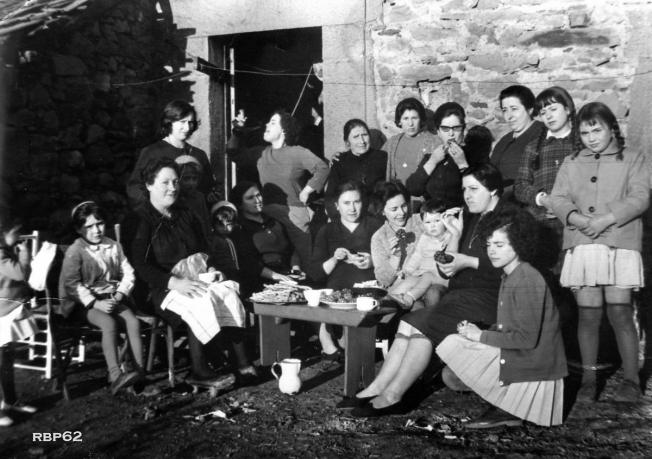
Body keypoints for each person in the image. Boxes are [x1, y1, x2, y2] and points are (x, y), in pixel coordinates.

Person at [351, 163, 508, 417]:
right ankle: (378, 386)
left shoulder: (506, 219)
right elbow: (448, 269)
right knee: (409, 321)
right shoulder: (473, 218)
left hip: (492, 298)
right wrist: (455, 234)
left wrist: (467, 261)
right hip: (463, 295)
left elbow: (509, 265)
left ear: (493, 190)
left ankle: (394, 396)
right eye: (464, 189)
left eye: (473, 189)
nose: (466, 195)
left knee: (424, 321)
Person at [549, 102, 649, 402]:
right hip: (583, 243)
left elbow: (640, 197)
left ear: (611, 129)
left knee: (620, 311)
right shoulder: (571, 162)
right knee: (588, 315)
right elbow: (558, 198)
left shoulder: (633, 158)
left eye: (597, 130)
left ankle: (631, 381)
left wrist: (606, 219)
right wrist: (578, 220)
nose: (591, 138)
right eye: (585, 133)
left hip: (619, 243)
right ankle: (589, 380)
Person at [129, 159, 254, 388]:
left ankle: (242, 362)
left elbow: (204, 248)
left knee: (227, 292)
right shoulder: (140, 219)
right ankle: (199, 371)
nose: (173, 188)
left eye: (175, 182)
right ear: (149, 185)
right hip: (157, 289)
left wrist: (212, 267)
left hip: (193, 278)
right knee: (199, 300)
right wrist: (174, 283)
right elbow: (140, 265)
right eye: (165, 182)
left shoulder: (185, 213)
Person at [437, 208, 567, 428]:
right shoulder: (511, 274)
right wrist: (482, 331)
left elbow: (526, 339)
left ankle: (510, 406)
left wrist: (480, 336)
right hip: (521, 356)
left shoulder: (527, 279)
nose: (491, 251)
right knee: (451, 373)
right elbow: (511, 326)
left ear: (518, 244)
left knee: (452, 348)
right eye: (489, 245)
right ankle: (506, 400)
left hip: (534, 366)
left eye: (499, 245)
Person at [58, 201, 146, 395]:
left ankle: (139, 373)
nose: (96, 230)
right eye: (89, 226)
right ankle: (115, 376)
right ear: (78, 229)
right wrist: (96, 303)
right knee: (108, 323)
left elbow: (128, 273)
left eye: (99, 224)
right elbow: (71, 284)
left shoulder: (113, 245)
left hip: (111, 298)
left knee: (133, 322)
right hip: (84, 304)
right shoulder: (76, 250)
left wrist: (120, 294)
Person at [227, 110, 329, 270]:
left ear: (284, 130)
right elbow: (234, 153)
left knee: (305, 263)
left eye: (273, 122)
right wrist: (237, 131)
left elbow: (322, 168)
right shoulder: (261, 153)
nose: (267, 125)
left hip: (295, 214)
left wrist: (307, 190)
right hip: (268, 214)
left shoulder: (298, 152)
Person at [311, 180, 383, 361]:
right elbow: (316, 273)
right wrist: (335, 258)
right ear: (337, 205)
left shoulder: (376, 226)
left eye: (356, 202)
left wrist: (372, 261)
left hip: (368, 287)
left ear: (363, 202)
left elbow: (391, 260)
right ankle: (333, 336)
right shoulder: (328, 230)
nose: (352, 208)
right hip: (338, 291)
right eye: (346, 203)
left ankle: (342, 340)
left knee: (354, 347)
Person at [514, 86, 576, 270]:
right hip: (542, 225)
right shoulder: (533, 148)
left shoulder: (580, 144)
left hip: (574, 223)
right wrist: (543, 199)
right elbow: (520, 186)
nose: (548, 116)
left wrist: (565, 206)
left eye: (553, 109)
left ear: (567, 109)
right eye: (543, 112)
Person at [127, 100, 216, 208]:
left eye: (190, 122)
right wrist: (156, 207)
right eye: (182, 122)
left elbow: (207, 190)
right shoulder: (152, 152)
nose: (187, 128)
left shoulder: (199, 155)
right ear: (169, 122)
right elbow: (134, 188)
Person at [406, 102, 487, 208]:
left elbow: (481, 192)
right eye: (445, 128)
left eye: (456, 128)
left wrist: (462, 164)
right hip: (433, 216)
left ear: (463, 129)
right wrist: (433, 161)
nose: (451, 134)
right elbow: (413, 189)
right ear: (438, 132)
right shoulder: (431, 157)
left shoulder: (475, 156)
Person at [229, 181, 300, 299]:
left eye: (258, 195)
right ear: (240, 204)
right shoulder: (240, 229)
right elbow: (248, 263)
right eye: (250, 198)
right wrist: (275, 276)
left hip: (286, 277)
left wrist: (296, 268)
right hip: (260, 282)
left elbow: (292, 249)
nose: (257, 200)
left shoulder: (274, 222)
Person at [0, 214, 38, 426]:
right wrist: (25, 253)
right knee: (1, 360)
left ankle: (10, 401)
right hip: (2, 312)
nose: (19, 236)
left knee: (6, 358)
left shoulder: (6, 251)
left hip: (7, 310)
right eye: (15, 233)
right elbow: (20, 273)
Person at [387, 199, 457, 310]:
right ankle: (388, 301)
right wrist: (407, 270)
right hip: (422, 277)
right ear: (423, 223)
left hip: (440, 278)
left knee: (427, 277)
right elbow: (417, 256)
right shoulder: (425, 238)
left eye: (437, 221)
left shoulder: (450, 236)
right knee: (408, 281)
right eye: (428, 222)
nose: (432, 226)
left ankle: (409, 298)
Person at [325, 119, 387, 219]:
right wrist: (337, 220)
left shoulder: (382, 158)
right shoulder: (340, 161)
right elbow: (330, 196)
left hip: (377, 216)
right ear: (347, 142)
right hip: (349, 218)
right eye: (356, 137)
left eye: (365, 135)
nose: (362, 141)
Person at [490, 85, 545, 197]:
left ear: (530, 110)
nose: (509, 116)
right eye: (505, 110)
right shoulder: (504, 140)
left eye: (514, 109)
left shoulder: (542, 134)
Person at [370, 181, 423, 291]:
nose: (402, 212)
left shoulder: (421, 221)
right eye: (394, 209)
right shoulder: (379, 237)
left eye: (404, 206)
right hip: (399, 291)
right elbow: (384, 280)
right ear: (382, 211)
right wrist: (395, 256)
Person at [383, 97, 440, 184]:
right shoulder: (392, 143)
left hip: (421, 192)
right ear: (399, 121)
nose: (410, 124)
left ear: (421, 119)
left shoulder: (434, 142)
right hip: (396, 191)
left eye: (414, 118)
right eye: (406, 118)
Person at [175, 155, 212, 236]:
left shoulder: (199, 198)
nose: (191, 183)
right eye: (186, 178)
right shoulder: (172, 198)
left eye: (194, 178)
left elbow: (206, 228)